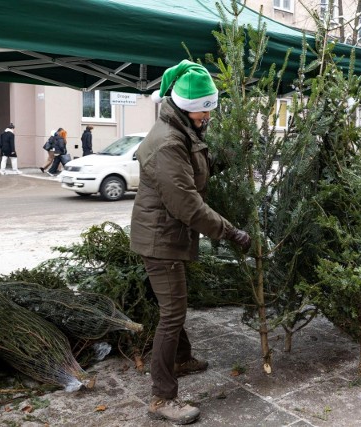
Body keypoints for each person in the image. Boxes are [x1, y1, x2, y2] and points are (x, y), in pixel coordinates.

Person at [130, 59, 252, 425]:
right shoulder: (167, 142)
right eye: (204, 114)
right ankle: (161, 398)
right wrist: (229, 231)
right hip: (161, 239)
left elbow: (194, 168)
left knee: (175, 308)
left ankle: (181, 361)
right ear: (188, 109)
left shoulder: (180, 129)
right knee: (171, 315)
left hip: (166, 235)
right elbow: (186, 203)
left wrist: (228, 158)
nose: (207, 120)